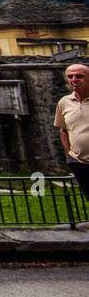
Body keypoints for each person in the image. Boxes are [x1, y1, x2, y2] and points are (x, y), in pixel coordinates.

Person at [55, 64, 89, 197]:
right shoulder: (64, 102)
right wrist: (69, 154)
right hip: (80, 163)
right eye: (70, 76)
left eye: (79, 76)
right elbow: (63, 130)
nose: (74, 79)